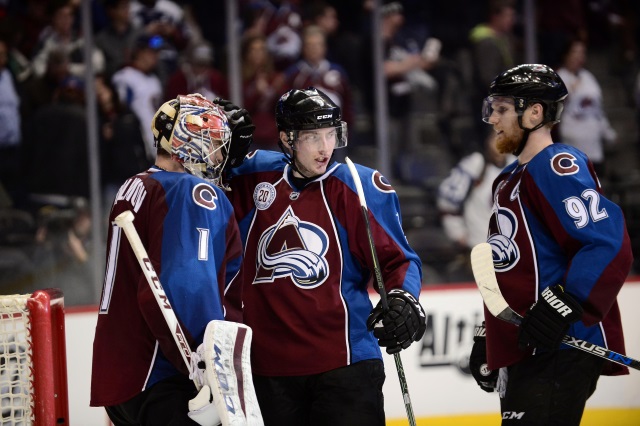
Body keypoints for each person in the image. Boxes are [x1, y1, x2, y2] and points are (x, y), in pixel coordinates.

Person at [220, 87, 426, 425]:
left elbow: (398, 261)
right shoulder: (253, 176)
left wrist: (404, 296)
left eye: (330, 135)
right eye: (312, 137)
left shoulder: (358, 186)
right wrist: (221, 151)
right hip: (266, 370)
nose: (324, 148)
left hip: (345, 367)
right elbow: (202, 195)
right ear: (287, 139)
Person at [469, 64, 633, 425]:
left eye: (501, 109)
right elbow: (507, 266)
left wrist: (568, 302)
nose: (493, 119)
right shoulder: (507, 179)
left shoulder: (557, 165)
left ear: (534, 112)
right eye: (491, 109)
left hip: (560, 343)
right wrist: (489, 335)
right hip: (527, 344)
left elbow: (606, 243)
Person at [90, 93, 251, 425]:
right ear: (189, 142)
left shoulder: (134, 185)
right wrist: (207, 363)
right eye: (214, 143)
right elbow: (188, 286)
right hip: (168, 376)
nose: (220, 156)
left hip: (123, 378)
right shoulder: (194, 192)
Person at [436, 133, 511, 281]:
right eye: (495, 137)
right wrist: (457, 232)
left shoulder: (516, 165)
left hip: (510, 250)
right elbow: (447, 199)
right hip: (479, 246)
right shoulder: (476, 163)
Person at [556, 39, 617, 178]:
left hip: (593, 145)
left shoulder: (588, 77)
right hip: (572, 144)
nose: (578, 56)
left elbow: (598, 110)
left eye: (581, 52)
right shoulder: (558, 76)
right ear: (566, 54)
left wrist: (607, 132)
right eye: (574, 52)